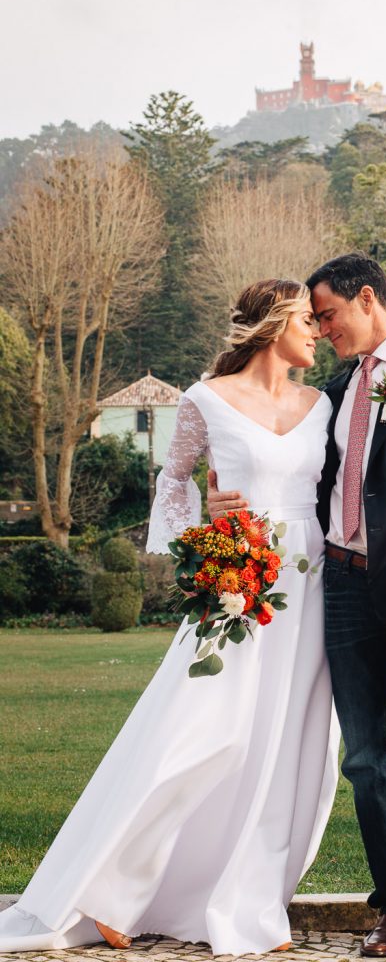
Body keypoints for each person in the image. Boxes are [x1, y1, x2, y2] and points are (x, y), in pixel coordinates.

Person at [0, 279, 340, 957]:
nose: (319, 331)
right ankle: (108, 891)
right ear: (273, 325)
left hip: (315, 589)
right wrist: (205, 548)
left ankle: (247, 900)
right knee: (198, 731)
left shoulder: (321, 402)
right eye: (308, 319)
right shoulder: (204, 399)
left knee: (286, 745)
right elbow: (173, 481)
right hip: (236, 585)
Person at [208, 255, 386, 962]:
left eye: (328, 315)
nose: (322, 328)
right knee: (368, 761)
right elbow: (303, 478)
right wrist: (227, 504)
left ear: (366, 298)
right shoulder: (336, 390)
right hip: (342, 590)